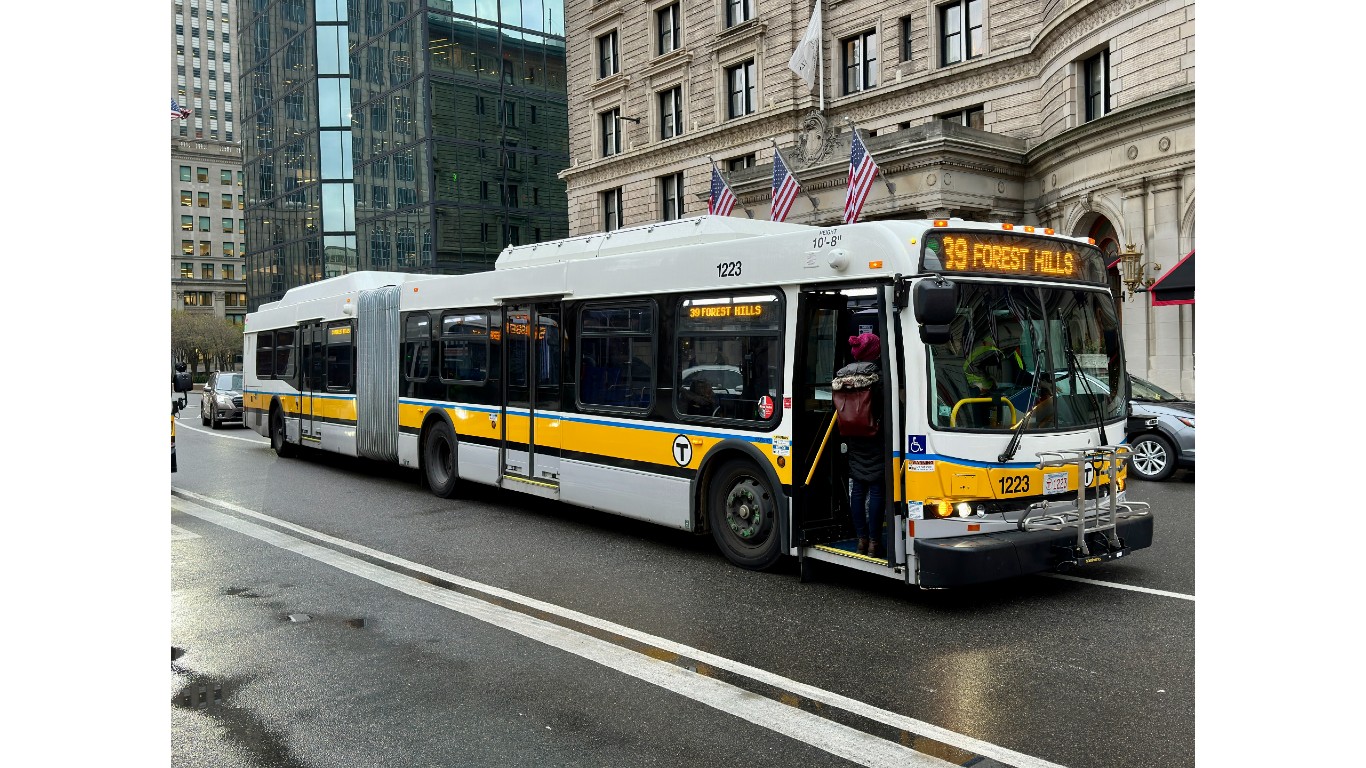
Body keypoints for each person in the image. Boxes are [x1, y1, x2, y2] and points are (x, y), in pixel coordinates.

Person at [834, 332, 885, 557]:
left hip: (853, 438)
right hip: (877, 438)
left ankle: (861, 540)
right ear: (875, 351)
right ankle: (875, 542)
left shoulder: (843, 376)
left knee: (858, 490)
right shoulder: (879, 378)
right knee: (876, 489)